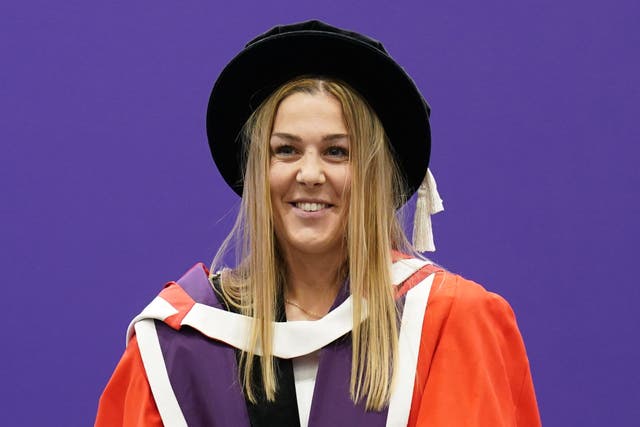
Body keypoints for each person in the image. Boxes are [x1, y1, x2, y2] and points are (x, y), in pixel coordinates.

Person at [95, 20, 541, 426]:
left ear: (374, 175)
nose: (309, 174)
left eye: (336, 152)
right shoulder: (181, 343)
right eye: (285, 150)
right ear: (259, 171)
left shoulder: (448, 323)